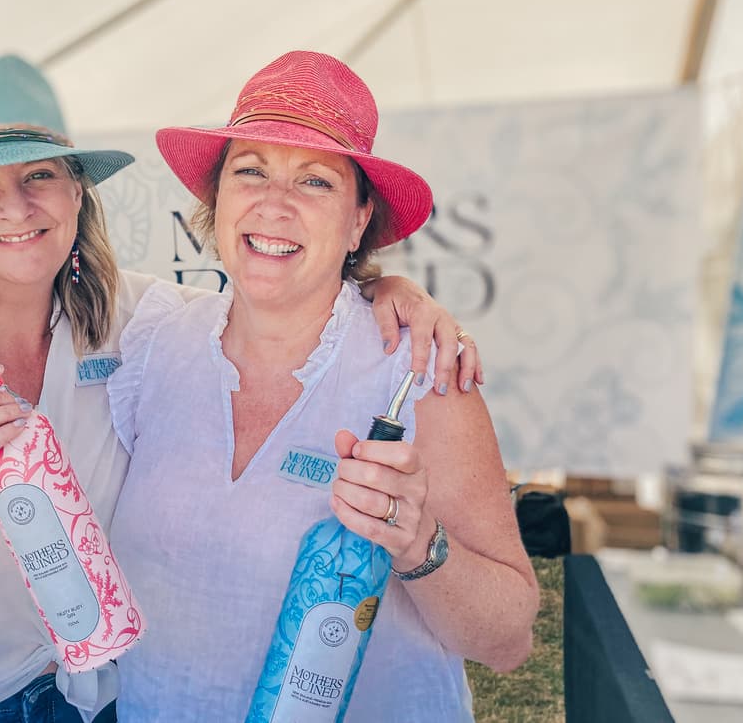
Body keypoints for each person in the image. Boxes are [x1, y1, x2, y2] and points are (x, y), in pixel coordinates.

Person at [0, 54, 485, 723]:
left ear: (77, 191)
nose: (16, 207)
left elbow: (280, 297)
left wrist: (385, 291)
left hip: (92, 704)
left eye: (41, 175)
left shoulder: (128, 326)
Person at [107, 51, 538, 722]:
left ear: (359, 221)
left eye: (315, 183)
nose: (274, 204)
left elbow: (508, 639)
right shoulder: (152, 342)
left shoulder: (417, 372)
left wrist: (418, 541)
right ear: (215, 199)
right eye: (249, 171)